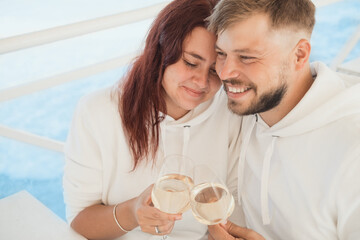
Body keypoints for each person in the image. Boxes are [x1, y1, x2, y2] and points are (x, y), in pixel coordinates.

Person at [63, 0, 246, 239]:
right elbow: (79, 221)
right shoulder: (98, 111)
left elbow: (229, 202)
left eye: (214, 70)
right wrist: (132, 212)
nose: (201, 82)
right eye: (190, 62)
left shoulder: (230, 111)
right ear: (161, 52)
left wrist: (216, 229)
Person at [206, 0, 360, 239]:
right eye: (221, 53)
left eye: (246, 57)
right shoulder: (249, 107)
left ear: (299, 55)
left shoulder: (352, 151)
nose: (224, 73)